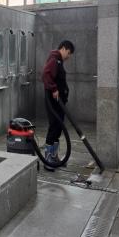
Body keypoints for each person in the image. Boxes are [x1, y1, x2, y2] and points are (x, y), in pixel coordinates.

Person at [41, 40, 74, 170]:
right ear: (64, 48)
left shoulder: (58, 60)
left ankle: (54, 156)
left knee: (59, 128)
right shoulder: (54, 59)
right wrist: (54, 89)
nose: (69, 56)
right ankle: (48, 159)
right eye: (69, 53)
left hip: (59, 102)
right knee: (54, 126)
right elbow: (46, 74)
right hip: (53, 101)